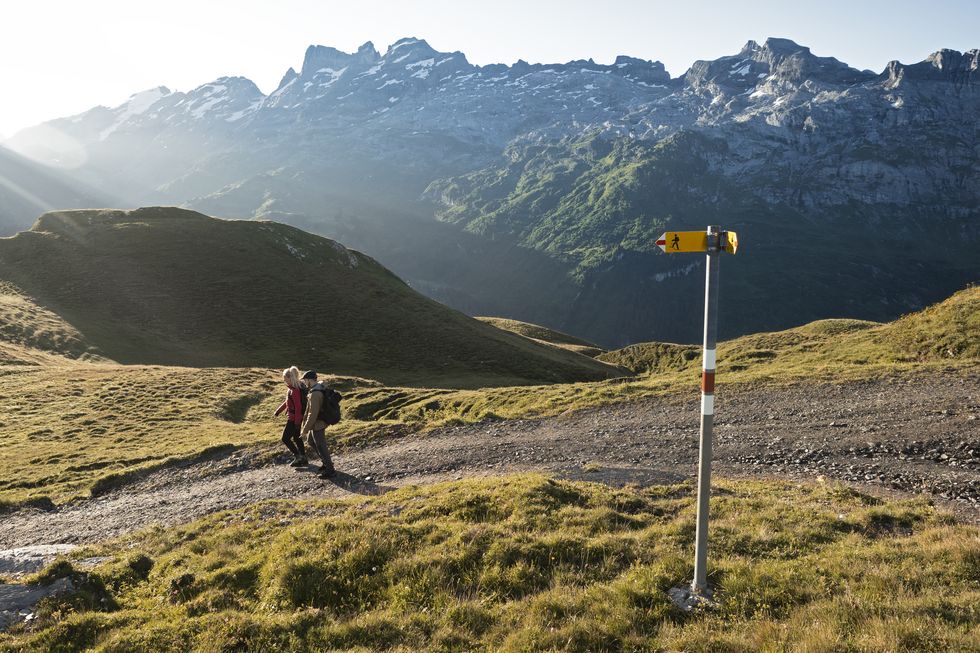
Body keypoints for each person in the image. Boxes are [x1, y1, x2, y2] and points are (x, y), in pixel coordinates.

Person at [300, 370, 336, 479]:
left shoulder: (315, 393)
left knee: (321, 446)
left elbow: (312, 414)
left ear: (310, 380)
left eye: (305, 380)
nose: (305, 382)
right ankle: (326, 463)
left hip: (318, 424)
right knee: (311, 441)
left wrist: (305, 429)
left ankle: (330, 470)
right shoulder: (314, 390)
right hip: (316, 423)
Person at [274, 366, 307, 466]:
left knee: (285, 438)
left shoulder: (295, 390)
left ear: (290, 378)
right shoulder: (291, 389)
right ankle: (303, 458)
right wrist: (278, 411)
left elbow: (298, 407)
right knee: (297, 438)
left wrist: (297, 423)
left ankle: (298, 456)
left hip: (294, 419)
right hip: (295, 418)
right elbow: (287, 402)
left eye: (285, 378)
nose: (284, 380)